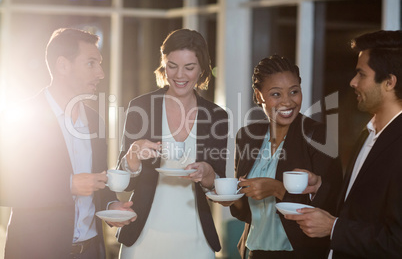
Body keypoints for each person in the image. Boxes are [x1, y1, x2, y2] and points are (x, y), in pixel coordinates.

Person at [0, 28, 135, 259]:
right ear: (63, 66)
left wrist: (111, 205)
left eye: (100, 64)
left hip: (91, 251)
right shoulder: (21, 117)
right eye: (91, 64)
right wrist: (68, 185)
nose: (101, 73)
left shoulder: (94, 120)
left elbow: (98, 184)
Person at [285, 30, 402, 258]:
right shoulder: (369, 133)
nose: (353, 82)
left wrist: (333, 228)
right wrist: (320, 186)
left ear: (389, 82)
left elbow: (397, 242)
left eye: (361, 74)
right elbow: (360, 203)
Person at [115, 28, 228, 259]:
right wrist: (133, 155)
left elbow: (218, 185)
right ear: (163, 64)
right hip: (142, 237)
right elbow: (123, 185)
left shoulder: (217, 116)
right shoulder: (140, 107)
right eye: (172, 65)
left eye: (189, 67)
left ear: (202, 69)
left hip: (196, 237)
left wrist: (208, 173)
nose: (179, 75)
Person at [227, 55, 343, 259]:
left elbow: (331, 204)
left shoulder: (319, 135)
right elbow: (243, 212)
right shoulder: (246, 136)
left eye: (294, 91)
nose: (288, 101)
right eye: (276, 94)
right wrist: (231, 196)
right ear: (258, 95)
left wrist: (278, 189)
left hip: (300, 253)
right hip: (253, 251)